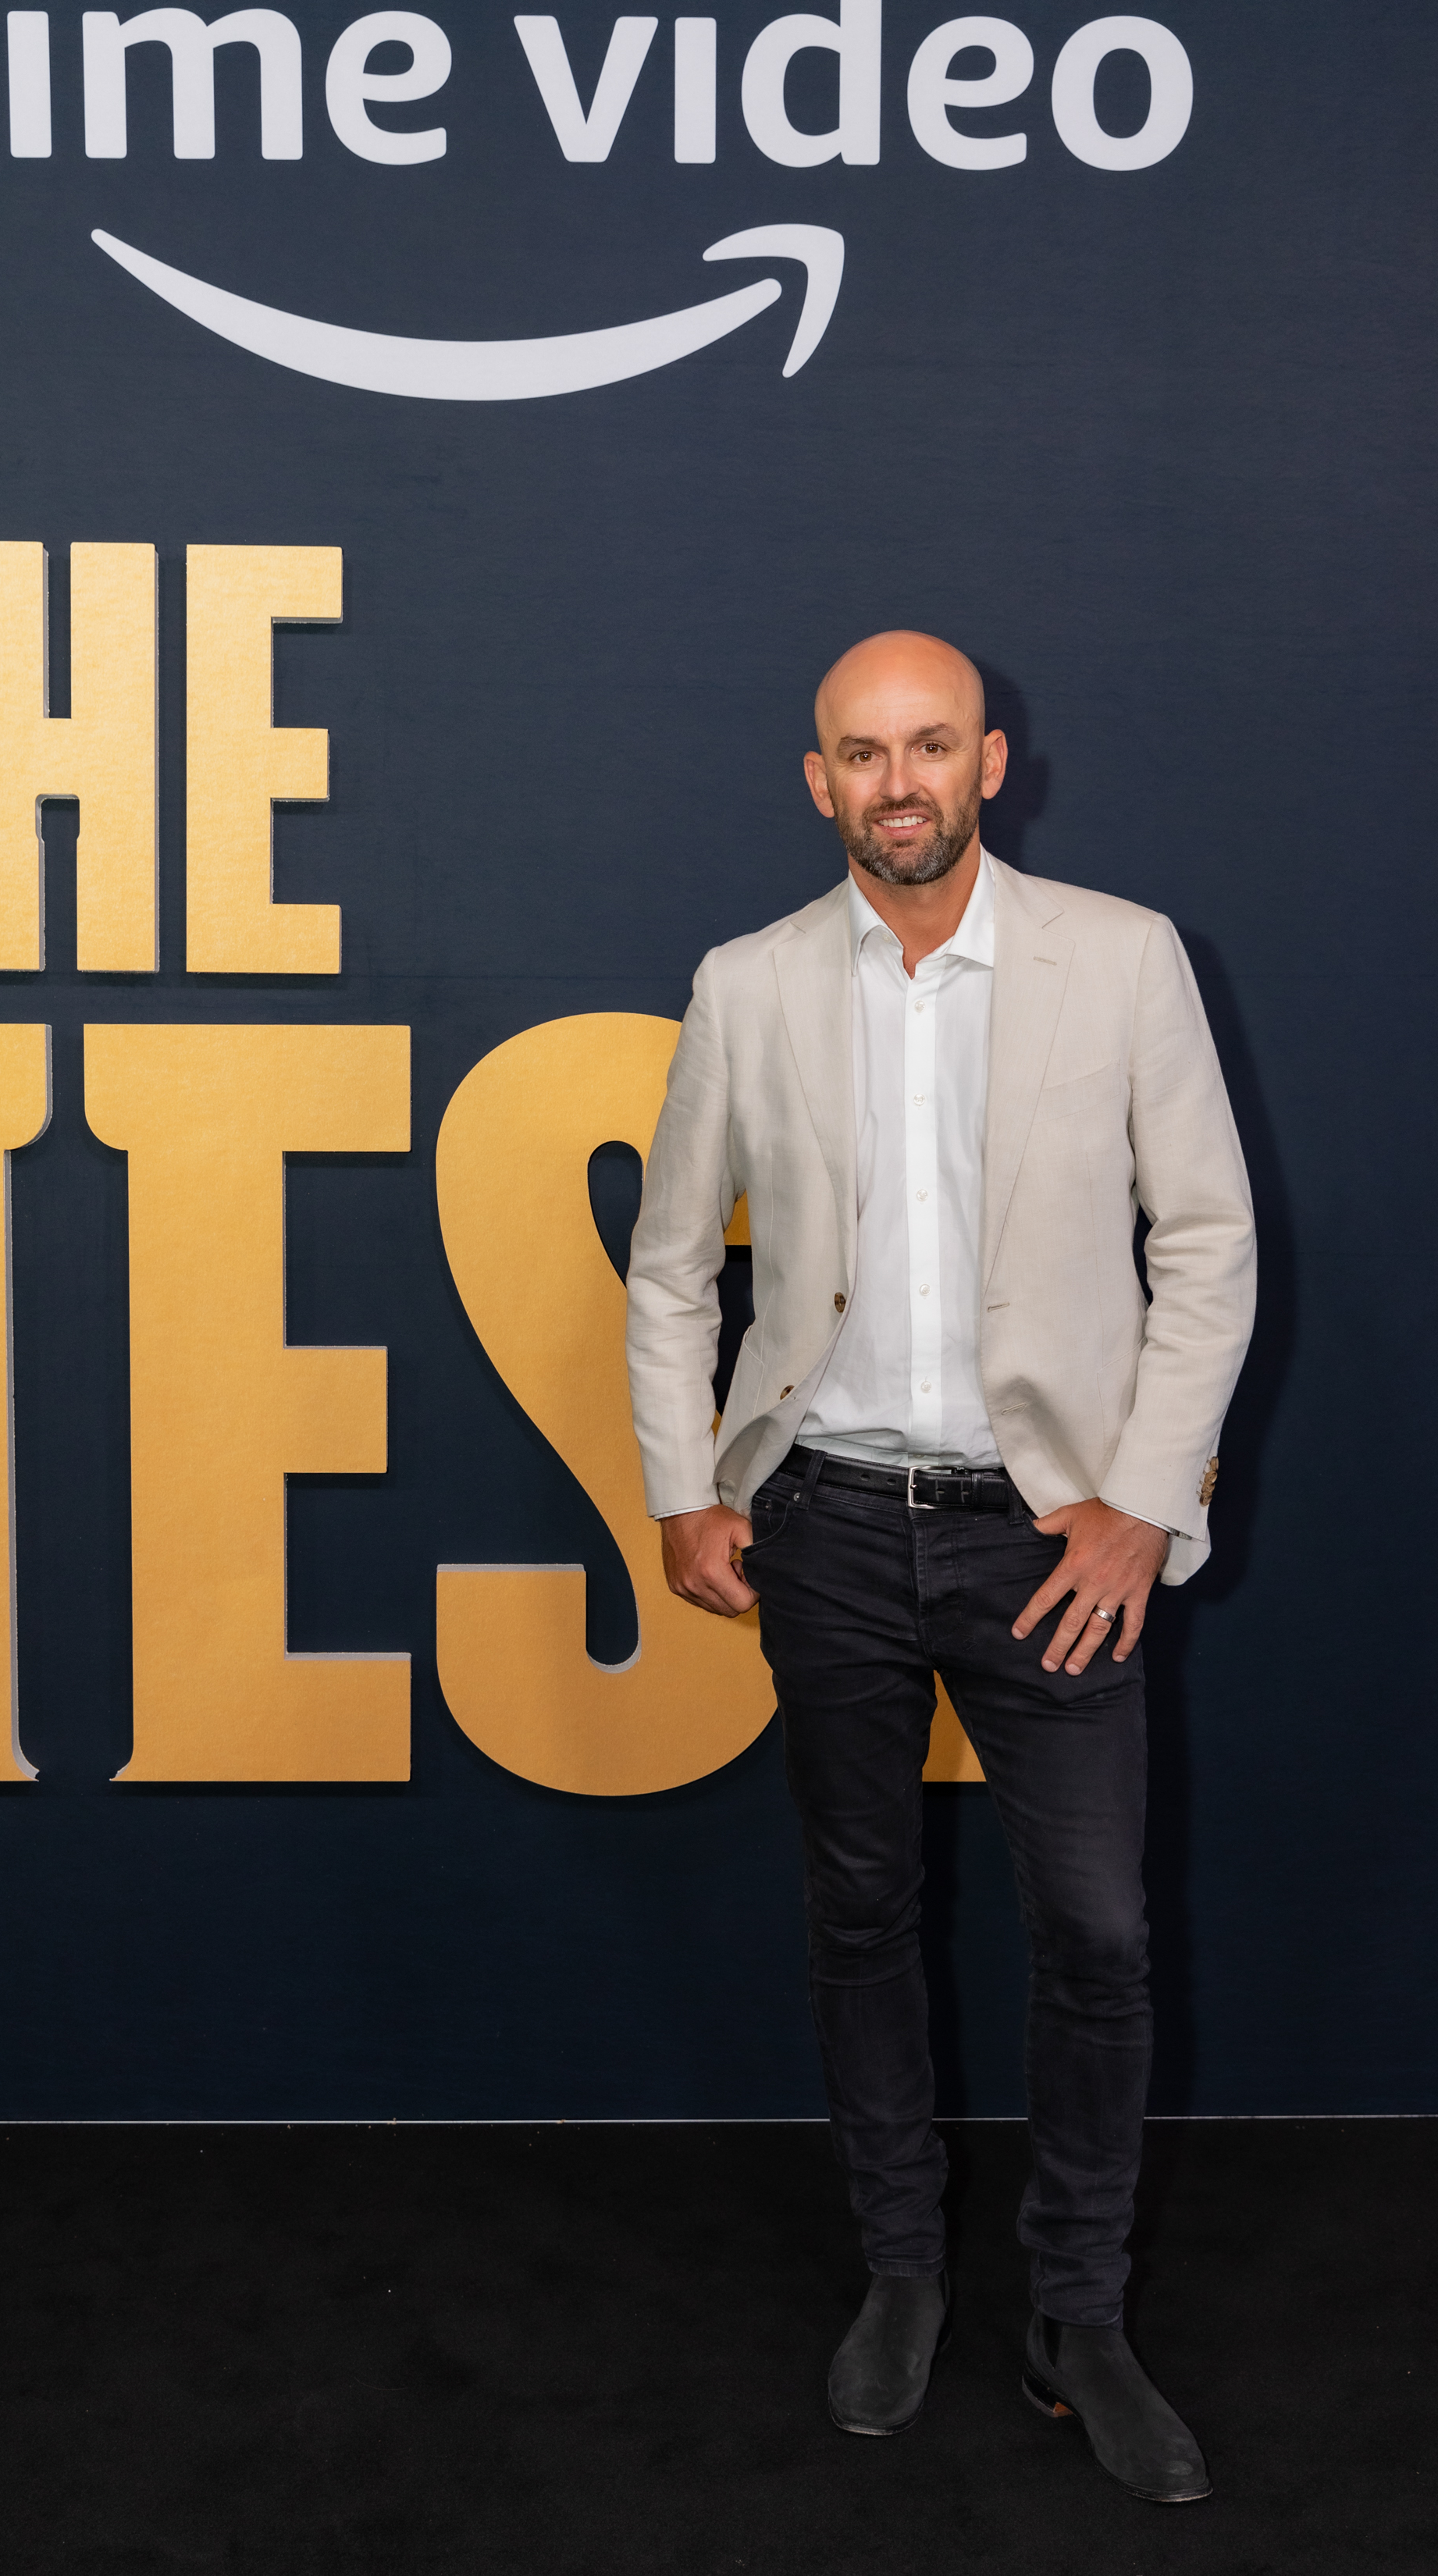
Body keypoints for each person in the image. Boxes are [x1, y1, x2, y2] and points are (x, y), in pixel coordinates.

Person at [624, 631, 1255, 2504]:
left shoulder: (1121, 958)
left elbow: (1202, 1242)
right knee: (858, 1917)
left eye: (925, 746)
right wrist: (682, 1490)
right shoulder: (744, 986)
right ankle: (901, 2269)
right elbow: (671, 1267)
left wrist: (1141, 1498)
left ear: (991, 758)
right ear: (812, 782)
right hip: (816, 1529)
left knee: (1100, 1936)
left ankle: (1074, 2306)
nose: (894, 782)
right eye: (856, 754)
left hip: (1044, 1537)